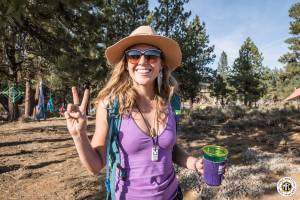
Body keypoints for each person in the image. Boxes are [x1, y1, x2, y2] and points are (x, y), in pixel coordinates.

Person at [64, 25, 204, 200]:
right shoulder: (110, 105)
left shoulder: (171, 102)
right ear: (125, 64)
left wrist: (194, 163)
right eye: (134, 56)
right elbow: (95, 166)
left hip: (172, 195)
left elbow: (170, 148)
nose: (143, 62)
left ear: (161, 64)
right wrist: (79, 135)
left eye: (152, 56)